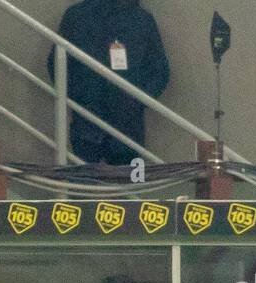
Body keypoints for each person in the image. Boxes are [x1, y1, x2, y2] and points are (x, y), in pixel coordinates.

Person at [47, 0, 169, 165]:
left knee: (130, 182)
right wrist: (79, 98)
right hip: (93, 123)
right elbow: (56, 65)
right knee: (89, 183)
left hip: (123, 126)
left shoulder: (142, 20)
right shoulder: (76, 16)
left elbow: (159, 71)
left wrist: (136, 102)